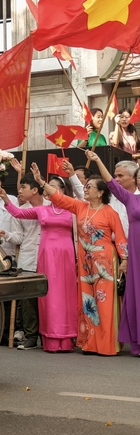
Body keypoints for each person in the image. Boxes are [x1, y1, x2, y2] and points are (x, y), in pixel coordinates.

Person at [36, 159, 127, 355]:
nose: (85, 190)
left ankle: (106, 345)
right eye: (85, 187)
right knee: (88, 302)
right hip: (86, 263)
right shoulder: (80, 207)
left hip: (105, 263)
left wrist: (124, 260)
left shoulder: (110, 212)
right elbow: (59, 199)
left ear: (101, 192)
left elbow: (119, 237)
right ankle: (89, 344)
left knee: (104, 303)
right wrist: (42, 183)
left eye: (89, 187)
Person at [1, 174, 77, 352]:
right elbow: (18, 213)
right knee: (35, 300)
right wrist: (6, 200)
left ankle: (66, 334)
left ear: (62, 190)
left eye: (52, 186)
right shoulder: (41, 210)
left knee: (61, 296)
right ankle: (34, 336)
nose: (48, 189)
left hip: (64, 256)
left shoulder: (72, 208)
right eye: (47, 186)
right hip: (39, 256)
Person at [87, 150, 140, 356]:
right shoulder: (130, 199)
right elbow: (111, 183)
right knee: (136, 295)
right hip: (136, 254)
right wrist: (98, 160)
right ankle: (137, 343)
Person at [0, 174, 43, 350]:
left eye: (23, 187)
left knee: (50, 298)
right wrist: (7, 235)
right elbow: (19, 237)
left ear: (34, 190)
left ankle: (51, 334)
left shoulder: (52, 205)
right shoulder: (19, 210)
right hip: (28, 256)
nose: (19, 190)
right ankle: (31, 336)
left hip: (49, 256)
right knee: (28, 301)